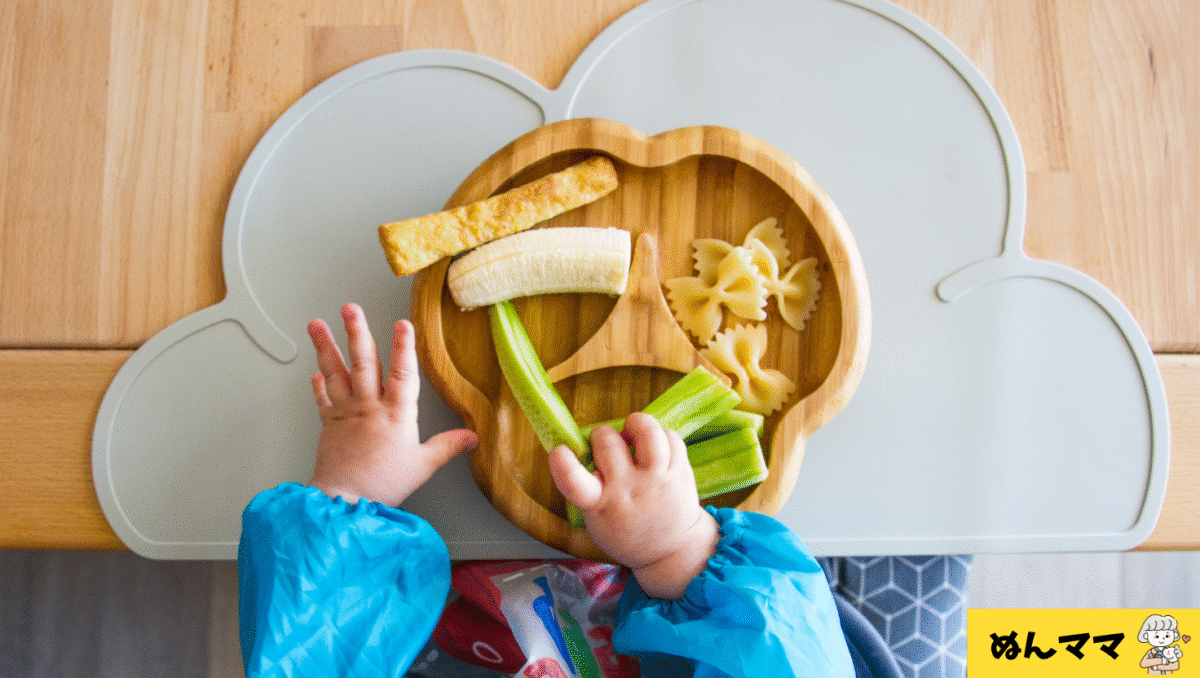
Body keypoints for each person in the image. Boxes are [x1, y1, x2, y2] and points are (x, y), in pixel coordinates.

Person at [237, 303, 854, 677]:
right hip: (710, 616)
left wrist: (348, 493)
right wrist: (677, 548)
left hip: (423, 617)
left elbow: (307, 653)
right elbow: (784, 657)